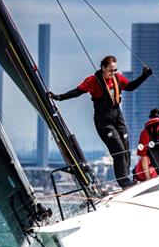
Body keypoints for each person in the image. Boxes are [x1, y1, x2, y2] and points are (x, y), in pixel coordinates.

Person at [50, 56, 151, 188]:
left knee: (126, 149)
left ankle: (126, 179)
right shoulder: (93, 80)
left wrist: (144, 76)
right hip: (104, 121)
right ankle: (124, 182)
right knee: (118, 150)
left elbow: (130, 87)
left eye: (115, 70)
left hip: (117, 117)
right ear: (103, 68)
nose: (113, 73)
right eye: (111, 70)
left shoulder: (118, 78)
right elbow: (77, 91)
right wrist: (59, 97)